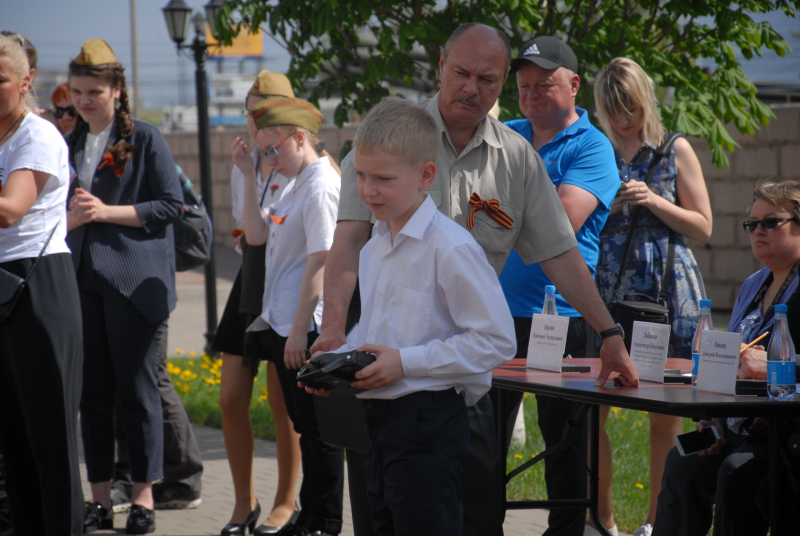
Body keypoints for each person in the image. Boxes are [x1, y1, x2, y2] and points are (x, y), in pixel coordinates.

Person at [311, 22, 639, 536]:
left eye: (486, 79)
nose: (471, 88)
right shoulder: (392, 137)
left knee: (477, 516)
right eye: (461, 72)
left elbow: (560, 253)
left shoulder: (517, 157)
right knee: (384, 518)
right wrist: (333, 331)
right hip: (385, 380)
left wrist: (609, 333)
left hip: (460, 382)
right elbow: (348, 242)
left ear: (503, 80)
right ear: (442, 64)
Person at [311, 95, 517, 534]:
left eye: (383, 179)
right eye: (361, 175)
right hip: (379, 423)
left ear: (425, 175)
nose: (367, 190)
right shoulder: (375, 245)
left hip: (429, 423)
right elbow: (380, 331)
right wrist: (338, 362)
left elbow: (497, 340)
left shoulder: (450, 247)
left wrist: (405, 363)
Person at [495, 36, 620, 536]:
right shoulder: (505, 134)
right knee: (483, 442)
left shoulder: (593, 146)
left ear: (573, 85)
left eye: (543, 85)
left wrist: (492, 209)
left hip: (562, 319)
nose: (530, 94)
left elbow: (560, 225)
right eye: (523, 86)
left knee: (565, 447)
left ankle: (566, 531)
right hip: (496, 314)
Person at [66, 39, 184, 534]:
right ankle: (98, 500)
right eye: (76, 92)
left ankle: (143, 499)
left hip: (134, 284)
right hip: (81, 280)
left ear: (117, 90)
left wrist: (106, 212)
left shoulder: (146, 138)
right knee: (91, 396)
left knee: (137, 392)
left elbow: (171, 205)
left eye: (94, 92)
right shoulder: (67, 141)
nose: (84, 101)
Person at [591, 57, 712, 536]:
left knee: (665, 412)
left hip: (667, 291)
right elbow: (573, 224)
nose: (624, 118)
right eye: (614, 109)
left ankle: (655, 523)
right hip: (607, 292)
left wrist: (653, 200)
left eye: (632, 107)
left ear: (646, 101)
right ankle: (600, 519)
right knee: (591, 409)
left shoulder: (673, 148)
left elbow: (703, 227)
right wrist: (609, 205)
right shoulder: (596, 151)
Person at [653, 180, 800, 536]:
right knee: (682, 462)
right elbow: (728, 360)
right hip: (740, 426)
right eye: (752, 224)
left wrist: (780, 368)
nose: (758, 231)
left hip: (785, 430)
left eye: (770, 222)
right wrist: (715, 421)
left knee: (737, 472)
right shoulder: (753, 284)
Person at [232, 96, 343, 536]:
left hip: (305, 325)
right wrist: (248, 174)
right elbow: (256, 236)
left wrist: (299, 332)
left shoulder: (319, 184)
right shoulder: (292, 180)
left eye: (273, 150)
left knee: (320, 429)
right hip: (283, 321)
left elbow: (322, 260)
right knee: (305, 426)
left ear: (300, 137)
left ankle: (324, 522)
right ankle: (310, 517)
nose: (269, 160)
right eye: (264, 153)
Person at [0, 32, 84, 536]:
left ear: (26, 80)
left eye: (0, 80)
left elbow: (11, 209)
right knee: (15, 447)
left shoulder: (38, 136)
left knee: (50, 445)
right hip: (4, 289)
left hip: (38, 286)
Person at [213, 71, 299, 535]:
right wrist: (249, 173)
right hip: (251, 280)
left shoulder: (302, 163)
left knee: (284, 402)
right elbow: (247, 229)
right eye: (249, 113)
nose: (254, 121)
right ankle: (243, 501)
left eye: (262, 113)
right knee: (230, 397)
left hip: (287, 281)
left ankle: (286, 501)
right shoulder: (244, 164)